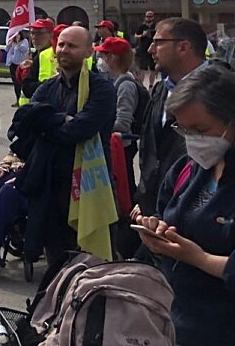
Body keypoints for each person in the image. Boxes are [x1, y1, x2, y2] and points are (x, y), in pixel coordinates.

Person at [131, 66, 235, 346]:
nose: (193, 140)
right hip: (181, 323)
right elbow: (169, 215)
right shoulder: (190, 168)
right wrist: (158, 235)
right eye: (183, 129)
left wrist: (201, 259)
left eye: (201, 130)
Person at [25, 26, 116, 265]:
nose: (64, 49)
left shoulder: (102, 89)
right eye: (61, 44)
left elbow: (79, 131)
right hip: (49, 183)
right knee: (55, 257)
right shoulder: (47, 87)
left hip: (87, 185)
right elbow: (25, 122)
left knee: (88, 261)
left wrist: (47, 123)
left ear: (88, 51)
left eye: (72, 46)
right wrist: (61, 119)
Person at [137, 17, 209, 214]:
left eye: (158, 43)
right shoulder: (160, 89)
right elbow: (148, 146)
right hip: (156, 207)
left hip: (196, 211)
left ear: (183, 47)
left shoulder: (218, 90)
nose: (151, 49)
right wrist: (144, 198)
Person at [95, 36, 147, 189]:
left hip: (123, 147)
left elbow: (123, 123)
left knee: (125, 186)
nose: (100, 59)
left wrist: (98, 124)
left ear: (113, 57)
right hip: (119, 146)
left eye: (104, 55)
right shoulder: (118, 81)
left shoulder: (125, 86)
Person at [19, 18, 57, 104]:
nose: (34, 37)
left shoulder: (53, 55)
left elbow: (28, 88)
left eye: (39, 33)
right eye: (32, 33)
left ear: (51, 35)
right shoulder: (35, 55)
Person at [5, 30, 30, 107]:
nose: (16, 37)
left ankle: (22, 100)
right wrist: (10, 43)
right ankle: (17, 99)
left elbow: (24, 49)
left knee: (21, 82)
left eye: (17, 35)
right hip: (12, 64)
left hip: (20, 65)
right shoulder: (12, 42)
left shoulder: (24, 41)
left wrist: (18, 43)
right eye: (14, 36)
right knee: (15, 83)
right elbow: (6, 49)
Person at [134, 10, 157, 83]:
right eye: (147, 16)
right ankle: (141, 85)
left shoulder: (156, 26)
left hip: (153, 49)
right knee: (142, 69)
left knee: (153, 69)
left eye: (150, 16)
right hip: (143, 50)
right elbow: (135, 35)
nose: (148, 18)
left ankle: (151, 86)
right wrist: (142, 35)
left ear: (153, 17)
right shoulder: (142, 26)